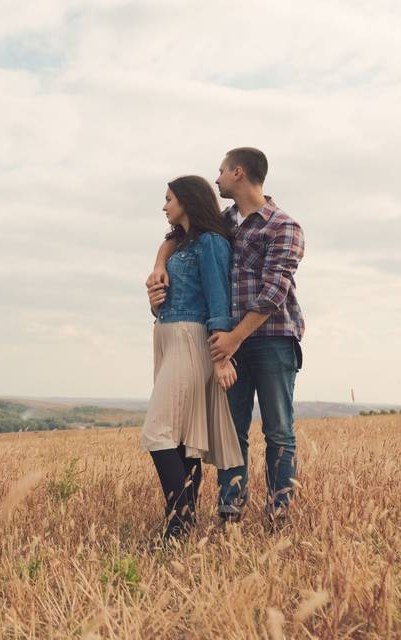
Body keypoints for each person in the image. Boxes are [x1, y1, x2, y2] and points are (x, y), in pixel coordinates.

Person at [146, 148, 304, 527]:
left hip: (271, 338)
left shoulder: (283, 225)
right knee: (231, 432)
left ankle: (279, 513)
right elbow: (183, 235)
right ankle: (229, 512)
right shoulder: (226, 222)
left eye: (220, 171)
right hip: (225, 339)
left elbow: (273, 293)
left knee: (278, 429)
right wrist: (157, 264)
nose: (215, 179)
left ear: (238, 172)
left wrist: (232, 339)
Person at [142, 175, 244, 541]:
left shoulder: (211, 243)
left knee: (157, 433)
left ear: (187, 200)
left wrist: (220, 357)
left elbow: (219, 300)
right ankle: (183, 528)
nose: (164, 205)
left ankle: (178, 522)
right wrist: (154, 303)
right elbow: (169, 296)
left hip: (190, 339)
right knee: (184, 439)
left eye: (169, 198)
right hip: (168, 337)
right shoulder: (180, 244)